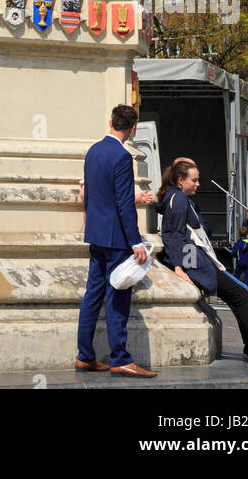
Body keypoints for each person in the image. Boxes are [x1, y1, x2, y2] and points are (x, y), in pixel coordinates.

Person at [159, 159, 248, 366]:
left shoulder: (178, 196)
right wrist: (182, 267)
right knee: (240, 293)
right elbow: (176, 237)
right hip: (196, 261)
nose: (198, 184)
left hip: (197, 259)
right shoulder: (178, 198)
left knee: (240, 292)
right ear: (181, 180)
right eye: (194, 180)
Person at [76, 104, 157, 377]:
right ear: (133, 128)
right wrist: (136, 242)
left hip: (96, 234)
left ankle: (85, 355)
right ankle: (120, 357)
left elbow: (88, 196)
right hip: (116, 237)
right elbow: (125, 203)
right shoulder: (122, 157)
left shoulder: (93, 151)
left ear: (110, 121)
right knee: (117, 298)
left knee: (92, 295)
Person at [231, 226, 248, 291]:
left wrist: (237, 257)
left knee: (236, 277)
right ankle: (247, 291)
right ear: (247, 235)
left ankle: (234, 290)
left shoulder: (237, 243)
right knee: (247, 278)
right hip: (247, 262)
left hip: (239, 262)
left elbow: (233, 253)